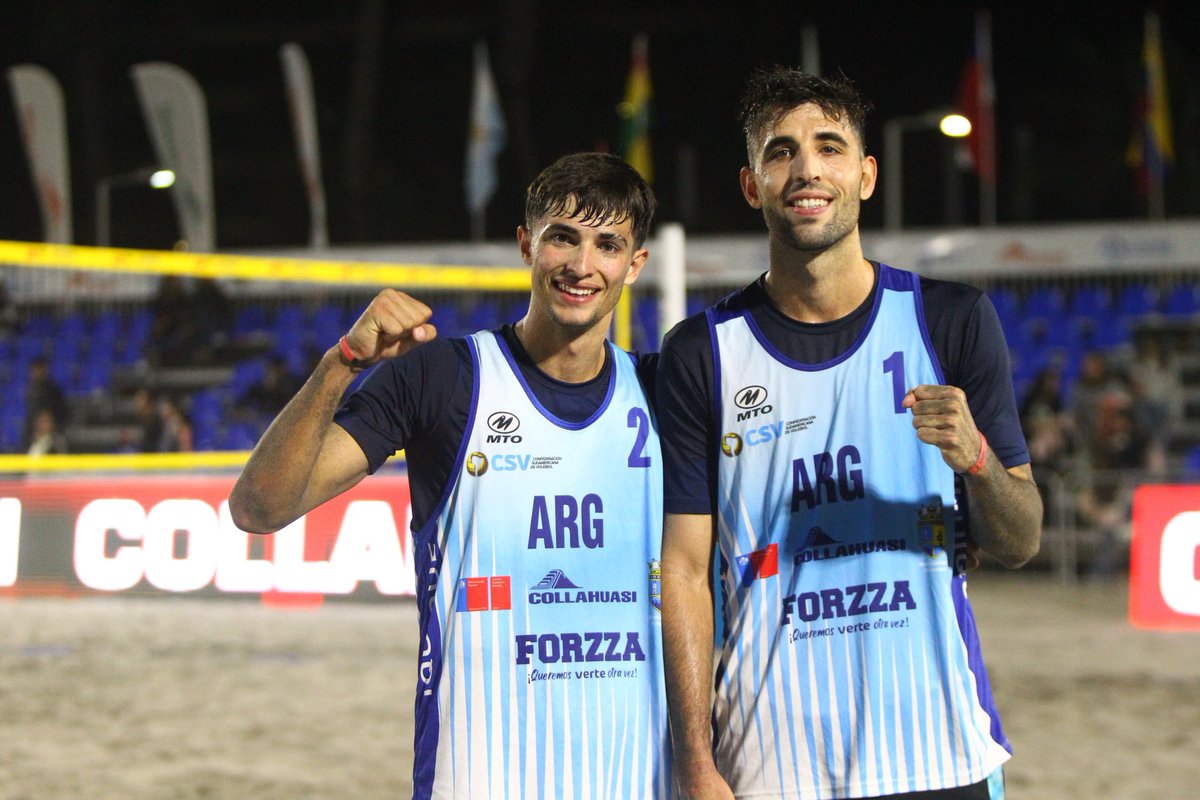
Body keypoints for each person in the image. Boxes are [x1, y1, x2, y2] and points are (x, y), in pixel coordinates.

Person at [229, 152, 673, 798]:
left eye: (608, 245)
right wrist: (343, 363)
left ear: (634, 265)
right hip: (480, 774)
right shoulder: (441, 378)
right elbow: (259, 508)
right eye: (562, 238)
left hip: (633, 777)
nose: (582, 265)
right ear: (526, 245)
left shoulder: (664, 394)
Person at [657, 68, 1042, 800]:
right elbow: (682, 571)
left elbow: (1019, 541)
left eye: (829, 147)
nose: (807, 168)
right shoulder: (700, 353)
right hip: (770, 765)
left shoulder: (951, 320)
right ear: (751, 185)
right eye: (781, 152)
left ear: (865, 176)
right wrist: (696, 761)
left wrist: (978, 459)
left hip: (939, 757)